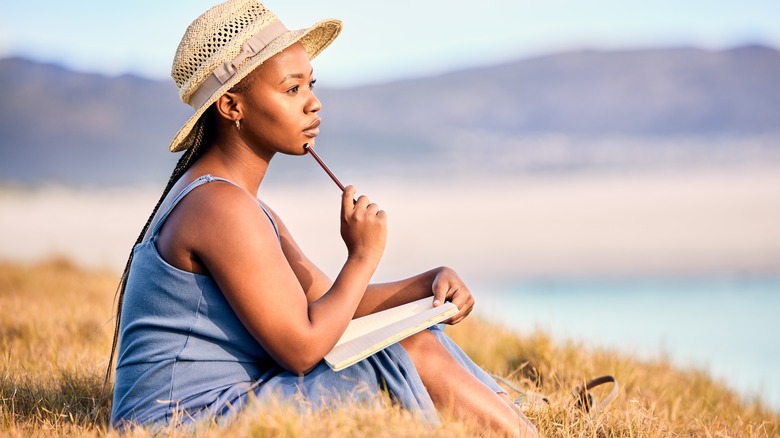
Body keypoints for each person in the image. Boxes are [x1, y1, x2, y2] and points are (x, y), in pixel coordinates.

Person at [107, 1, 537, 436]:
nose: (314, 104)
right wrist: (362, 257)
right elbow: (301, 348)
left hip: (218, 407)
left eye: (310, 84)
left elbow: (325, 302)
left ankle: (512, 417)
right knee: (407, 347)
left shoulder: (234, 202)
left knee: (413, 332)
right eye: (292, 89)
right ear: (231, 107)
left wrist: (426, 286)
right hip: (187, 425)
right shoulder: (220, 208)